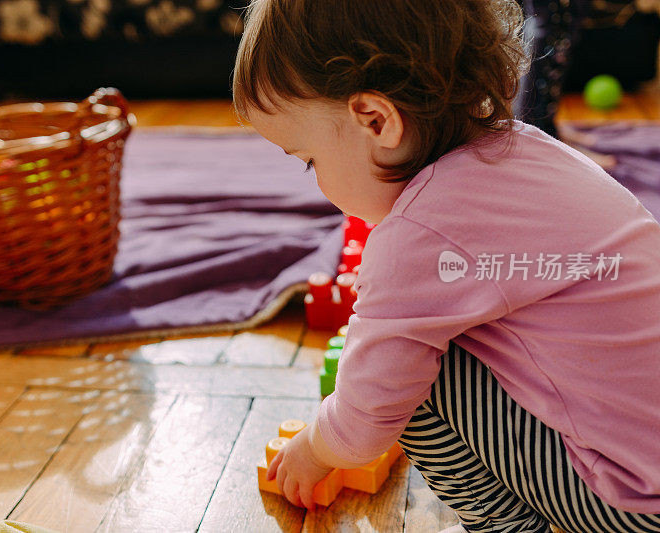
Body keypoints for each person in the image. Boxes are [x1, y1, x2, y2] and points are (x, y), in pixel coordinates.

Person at [231, 1, 660, 531]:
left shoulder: (416, 236)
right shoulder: (530, 147)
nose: (317, 180)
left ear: (376, 119)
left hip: (636, 497)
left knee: (403, 385)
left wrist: (316, 448)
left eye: (310, 160)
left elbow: (367, 415)